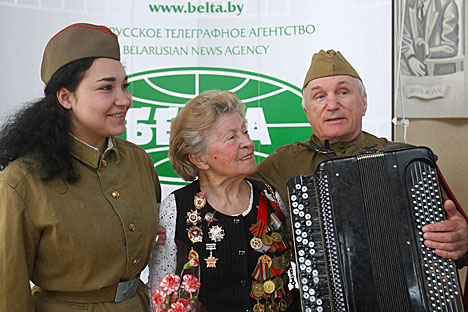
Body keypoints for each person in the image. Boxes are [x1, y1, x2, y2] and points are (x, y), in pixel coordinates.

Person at [0, 23, 161, 311]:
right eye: (106, 88)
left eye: (124, 86)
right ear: (65, 97)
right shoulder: (22, 182)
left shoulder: (139, 162)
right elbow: (8, 291)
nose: (124, 100)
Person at [250, 49, 468, 262]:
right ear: (307, 111)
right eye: (319, 96)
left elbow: (448, 239)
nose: (332, 105)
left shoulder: (406, 160)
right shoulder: (282, 164)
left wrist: (459, 240)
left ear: (364, 102)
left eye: (343, 92)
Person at [149, 90, 297, 311]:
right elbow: (160, 296)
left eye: (245, 132)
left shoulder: (270, 196)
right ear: (199, 158)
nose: (247, 142)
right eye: (232, 137)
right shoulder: (176, 208)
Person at [401, 0, 459, 76]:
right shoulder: (408, 4)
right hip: (412, 74)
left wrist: (428, 51)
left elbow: (450, 47)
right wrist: (410, 57)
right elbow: (404, 37)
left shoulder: (449, 5)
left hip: (439, 74)